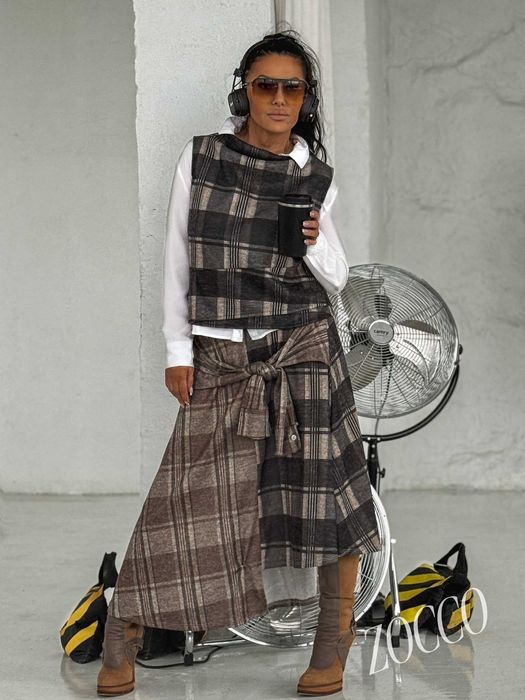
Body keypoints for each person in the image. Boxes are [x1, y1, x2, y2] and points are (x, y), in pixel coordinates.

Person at [96, 29, 382, 698]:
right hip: (223, 354)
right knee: (183, 498)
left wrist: (314, 239)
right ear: (244, 91)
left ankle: (332, 641)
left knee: (328, 497)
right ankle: (122, 631)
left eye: (292, 88)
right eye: (265, 85)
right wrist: (178, 350)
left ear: (305, 98)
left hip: (305, 347)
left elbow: (338, 277)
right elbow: (177, 257)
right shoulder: (202, 158)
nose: (279, 98)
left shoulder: (316, 175)